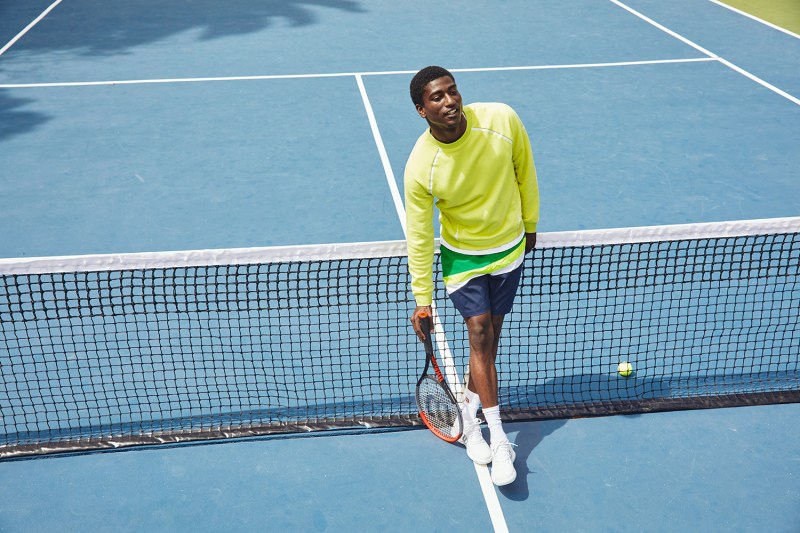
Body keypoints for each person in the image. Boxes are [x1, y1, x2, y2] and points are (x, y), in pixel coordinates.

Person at [405, 66, 539, 486]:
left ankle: (467, 411)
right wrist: (422, 298)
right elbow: (420, 235)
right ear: (421, 110)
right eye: (437, 98)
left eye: (453, 92)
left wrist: (530, 225)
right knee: (478, 333)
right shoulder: (421, 166)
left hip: (508, 249)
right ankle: (498, 438)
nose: (450, 102)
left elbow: (525, 169)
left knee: (490, 341)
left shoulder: (501, 119)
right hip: (462, 258)